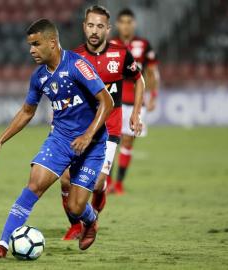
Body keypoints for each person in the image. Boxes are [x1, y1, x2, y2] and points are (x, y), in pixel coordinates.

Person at [0, 18, 122, 260]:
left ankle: (90, 219)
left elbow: (107, 102)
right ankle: (3, 245)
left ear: (52, 42)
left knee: (75, 208)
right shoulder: (39, 78)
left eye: (36, 44)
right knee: (33, 186)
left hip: (92, 144)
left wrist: (88, 136)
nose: (31, 50)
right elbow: (27, 112)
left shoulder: (78, 65)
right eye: (30, 45)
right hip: (59, 139)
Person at [60, 5, 145, 240]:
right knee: (66, 178)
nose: (94, 31)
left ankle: (95, 210)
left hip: (110, 128)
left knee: (96, 183)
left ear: (108, 29)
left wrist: (135, 113)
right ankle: (75, 225)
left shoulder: (120, 54)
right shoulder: (75, 57)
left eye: (100, 26)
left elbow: (139, 80)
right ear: (83, 27)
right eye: (90, 25)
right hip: (81, 128)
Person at [109, 8, 160, 194]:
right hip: (114, 101)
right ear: (117, 24)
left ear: (134, 24)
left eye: (129, 22)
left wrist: (153, 96)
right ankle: (106, 183)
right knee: (110, 142)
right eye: (122, 22)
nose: (125, 25)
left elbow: (152, 73)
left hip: (136, 101)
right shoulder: (110, 44)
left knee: (128, 141)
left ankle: (119, 184)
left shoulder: (144, 45)